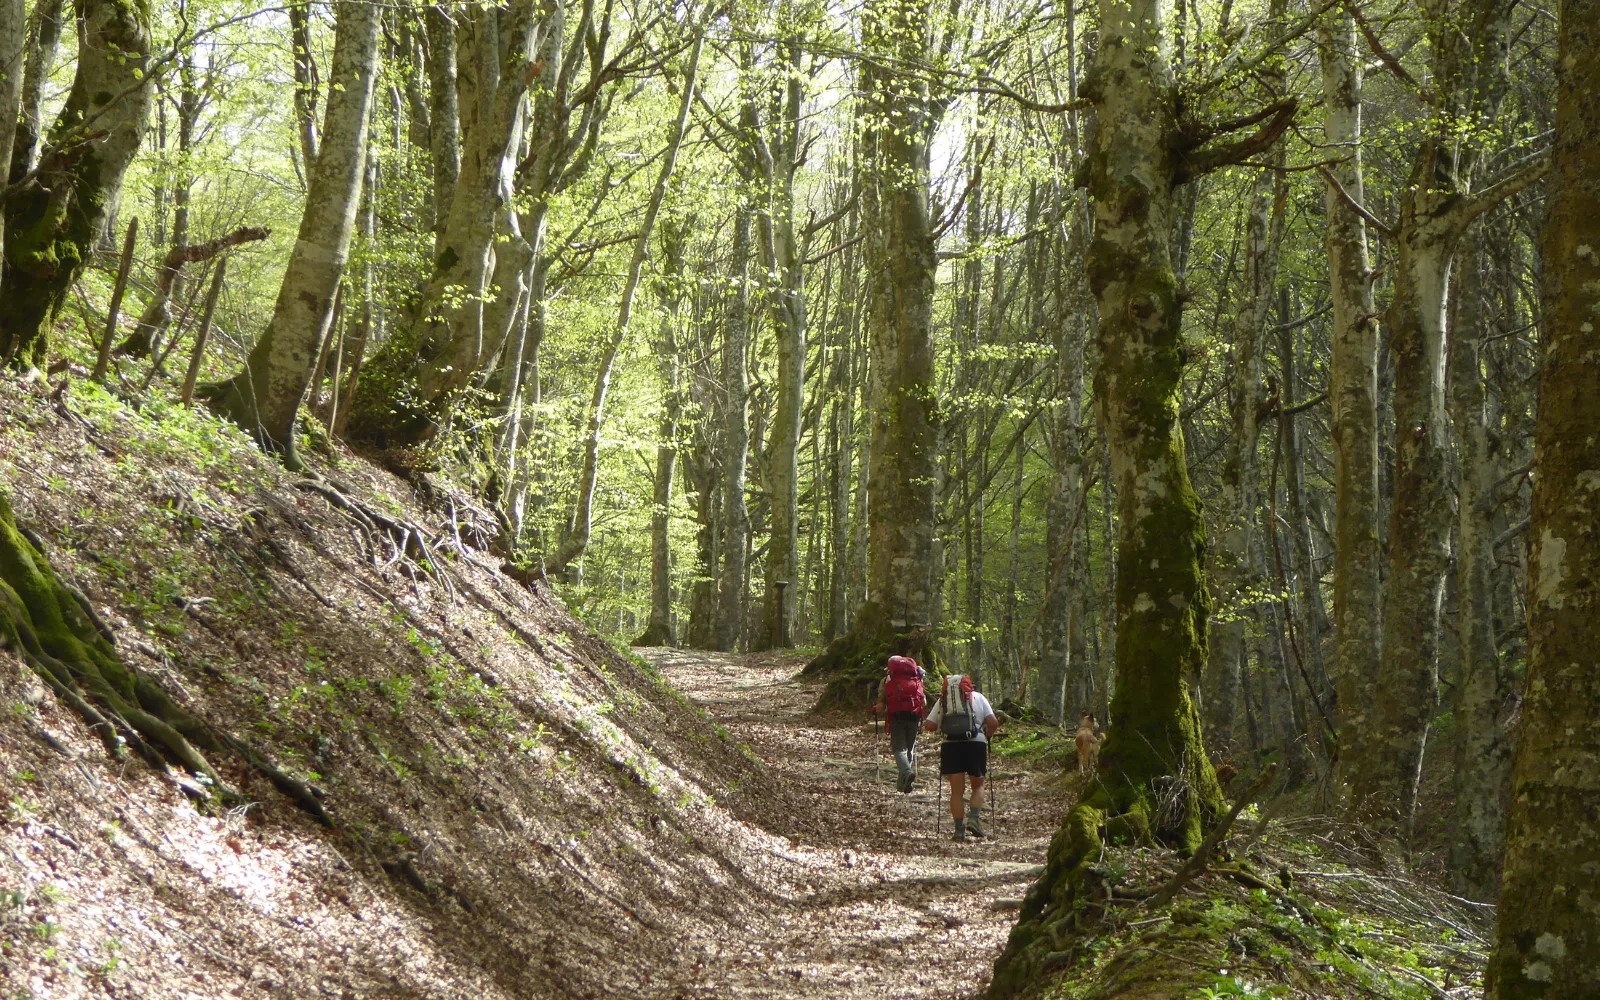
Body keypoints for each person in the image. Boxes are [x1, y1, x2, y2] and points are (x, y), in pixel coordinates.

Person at [924, 673, 999, 841]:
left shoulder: (943, 700)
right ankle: (974, 819)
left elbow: (929, 725)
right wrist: (988, 734)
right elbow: (993, 722)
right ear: (968, 684)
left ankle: (959, 830)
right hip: (976, 743)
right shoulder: (978, 697)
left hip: (951, 745)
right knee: (977, 786)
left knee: (956, 792)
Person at [873, 655, 926, 793]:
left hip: (897, 716)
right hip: (914, 716)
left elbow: (880, 705)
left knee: (898, 749)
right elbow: (924, 702)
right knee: (909, 749)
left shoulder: (886, 680)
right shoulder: (916, 679)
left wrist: (876, 710)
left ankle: (907, 772)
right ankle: (903, 785)